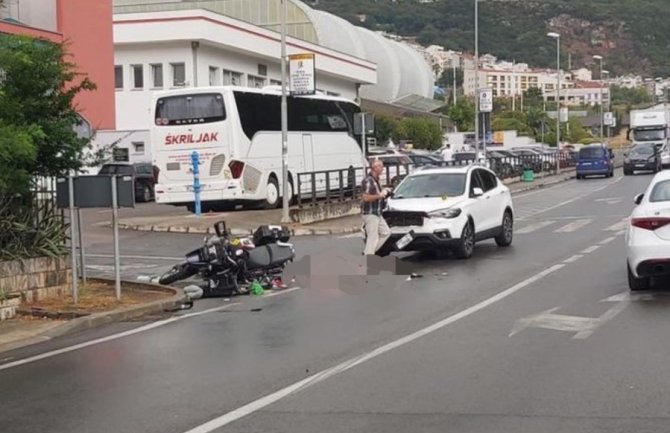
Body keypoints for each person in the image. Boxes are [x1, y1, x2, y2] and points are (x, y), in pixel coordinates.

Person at [361, 159, 392, 256]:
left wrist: (384, 191)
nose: (383, 169)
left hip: (378, 213)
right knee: (372, 237)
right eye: (381, 166)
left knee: (386, 233)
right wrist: (380, 195)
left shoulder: (376, 180)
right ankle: (368, 256)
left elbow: (377, 193)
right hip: (370, 213)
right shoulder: (368, 180)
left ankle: (369, 252)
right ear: (375, 168)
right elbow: (366, 197)